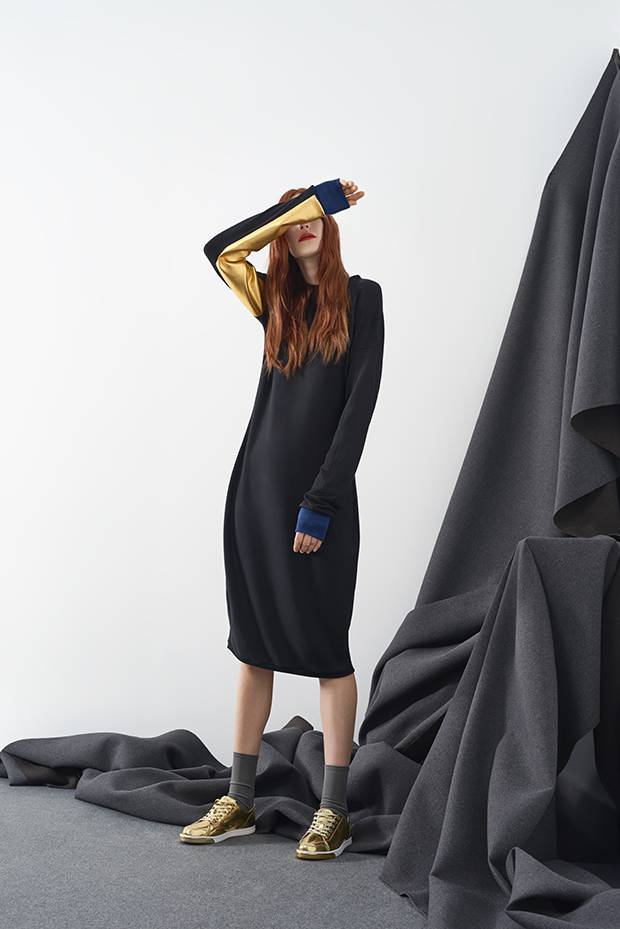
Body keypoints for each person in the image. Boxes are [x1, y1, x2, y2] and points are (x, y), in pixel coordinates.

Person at [179, 178, 385, 860]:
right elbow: (220, 250)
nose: (306, 225)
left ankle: (334, 812)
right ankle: (239, 799)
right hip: (255, 498)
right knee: (254, 648)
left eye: (315, 216)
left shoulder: (363, 299)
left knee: (328, 650)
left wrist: (321, 503)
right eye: (295, 218)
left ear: (331, 226)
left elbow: (357, 412)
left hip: (320, 501)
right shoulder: (274, 302)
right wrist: (307, 199)